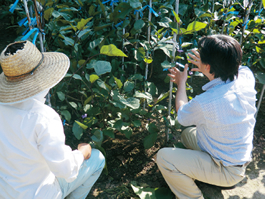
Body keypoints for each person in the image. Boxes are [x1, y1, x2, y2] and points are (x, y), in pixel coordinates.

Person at [0, 40, 105, 199]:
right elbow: (66, 170)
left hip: (6, 193)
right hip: (40, 194)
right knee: (98, 159)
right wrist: (82, 153)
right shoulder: (42, 117)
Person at [156, 35, 256, 199]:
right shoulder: (246, 76)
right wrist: (207, 66)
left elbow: (182, 115)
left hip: (227, 170)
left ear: (209, 66)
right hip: (236, 157)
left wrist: (181, 82)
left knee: (165, 158)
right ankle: (209, 175)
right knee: (188, 135)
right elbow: (231, 65)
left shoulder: (208, 101)